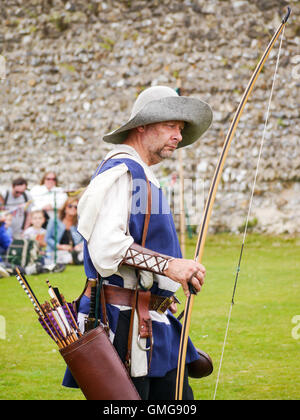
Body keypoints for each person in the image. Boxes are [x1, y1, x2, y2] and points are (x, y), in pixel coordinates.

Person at [63, 86, 213, 400]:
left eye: (181, 130)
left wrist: (176, 274)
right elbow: (107, 248)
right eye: (170, 126)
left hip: (155, 323)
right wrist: (170, 266)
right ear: (142, 126)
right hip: (125, 324)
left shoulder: (143, 175)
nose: (177, 136)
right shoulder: (121, 173)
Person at [45, 197, 83, 265]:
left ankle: (75, 259)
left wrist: (79, 245)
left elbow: (84, 238)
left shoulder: (79, 222)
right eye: (70, 206)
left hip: (76, 250)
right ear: (65, 208)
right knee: (66, 257)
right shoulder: (54, 221)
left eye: (76, 207)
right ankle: (74, 259)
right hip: (58, 251)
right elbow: (47, 239)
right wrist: (60, 246)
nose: (73, 209)